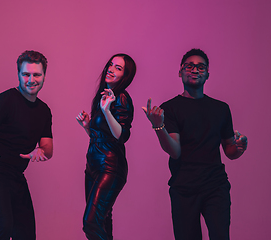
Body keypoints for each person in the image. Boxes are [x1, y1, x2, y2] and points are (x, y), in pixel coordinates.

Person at [143, 49, 248, 240]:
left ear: (207, 74)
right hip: (183, 187)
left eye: (201, 67)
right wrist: (159, 127)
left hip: (215, 186)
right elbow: (175, 152)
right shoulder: (170, 108)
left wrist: (241, 145)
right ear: (180, 71)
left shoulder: (221, 108)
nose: (195, 70)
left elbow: (230, 151)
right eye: (189, 66)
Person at [0, 50, 53, 240]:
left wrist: (41, 150)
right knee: (3, 228)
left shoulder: (44, 111)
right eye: (26, 74)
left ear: (44, 76)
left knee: (26, 235)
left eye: (36, 74)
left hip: (16, 175)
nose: (31, 79)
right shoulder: (4, 100)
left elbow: (48, 149)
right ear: (19, 75)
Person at [76, 53, 136, 240]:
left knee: (91, 222)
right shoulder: (102, 96)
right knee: (102, 222)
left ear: (124, 76)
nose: (110, 69)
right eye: (111, 65)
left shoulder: (122, 98)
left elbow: (121, 135)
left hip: (110, 166)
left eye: (118, 68)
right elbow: (102, 136)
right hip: (92, 166)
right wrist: (88, 126)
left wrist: (106, 110)